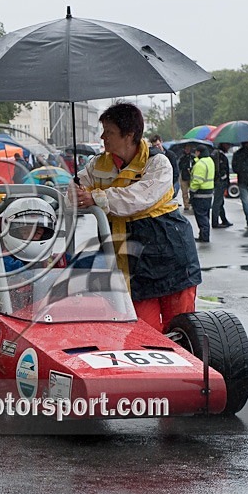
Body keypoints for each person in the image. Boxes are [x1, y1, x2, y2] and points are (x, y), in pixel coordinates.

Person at [72, 103, 201, 333]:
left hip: (171, 253)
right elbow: (74, 195)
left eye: (109, 132)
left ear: (129, 135)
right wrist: (75, 194)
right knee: (143, 332)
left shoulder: (158, 162)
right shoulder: (96, 166)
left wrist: (96, 198)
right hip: (131, 261)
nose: (103, 137)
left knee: (182, 330)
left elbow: (138, 199)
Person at [0, 197, 57, 273]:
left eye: (37, 232)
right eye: (26, 230)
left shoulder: (54, 259)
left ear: (45, 233)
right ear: (15, 230)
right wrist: (22, 272)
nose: (31, 235)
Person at [189, 144, 215, 242]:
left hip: (200, 194)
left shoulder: (200, 164)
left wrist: (191, 191)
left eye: (196, 151)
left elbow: (197, 181)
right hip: (209, 192)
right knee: (205, 215)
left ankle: (204, 236)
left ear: (199, 152)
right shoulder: (210, 161)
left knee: (201, 216)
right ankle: (204, 234)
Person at [211, 143, 233, 228]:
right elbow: (223, 170)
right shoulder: (221, 156)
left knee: (220, 202)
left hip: (217, 181)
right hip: (220, 181)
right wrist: (225, 179)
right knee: (217, 202)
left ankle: (224, 219)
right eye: (227, 145)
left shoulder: (214, 154)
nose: (228, 147)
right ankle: (215, 222)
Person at [177, 143, 194, 210]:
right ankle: (186, 205)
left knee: (192, 191)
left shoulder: (193, 157)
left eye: (189, 148)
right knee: (184, 192)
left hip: (191, 176)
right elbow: (180, 166)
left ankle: (192, 204)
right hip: (184, 176)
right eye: (186, 149)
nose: (187, 150)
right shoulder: (182, 157)